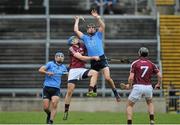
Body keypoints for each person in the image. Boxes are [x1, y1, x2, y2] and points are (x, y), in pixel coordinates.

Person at [74, 9, 121, 102]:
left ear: (95, 29)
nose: (91, 29)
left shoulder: (98, 35)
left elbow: (103, 25)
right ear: (87, 30)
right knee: (94, 75)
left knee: (107, 78)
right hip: (93, 60)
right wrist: (77, 20)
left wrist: (97, 17)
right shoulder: (85, 38)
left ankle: (115, 92)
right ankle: (93, 90)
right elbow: (76, 30)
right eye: (89, 28)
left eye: (93, 27)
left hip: (102, 58)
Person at [63, 36, 100, 120]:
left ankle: (90, 90)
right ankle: (66, 111)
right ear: (72, 42)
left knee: (95, 73)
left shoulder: (82, 46)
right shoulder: (71, 48)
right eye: (74, 39)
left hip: (82, 69)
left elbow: (91, 48)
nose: (76, 39)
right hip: (73, 71)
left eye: (76, 38)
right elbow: (81, 57)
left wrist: (99, 56)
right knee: (69, 92)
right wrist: (93, 57)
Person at [123, 47, 162, 125]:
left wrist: (130, 86)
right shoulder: (152, 64)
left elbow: (131, 77)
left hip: (138, 87)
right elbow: (160, 75)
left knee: (129, 105)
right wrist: (158, 84)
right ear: (147, 54)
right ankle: (152, 120)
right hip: (148, 87)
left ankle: (129, 123)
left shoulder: (135, 63)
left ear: (139, 53)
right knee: (150, 102)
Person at [38, 51, 68, 124]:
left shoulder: (63, 67)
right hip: (47, 88)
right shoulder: (50, 64)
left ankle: (50, 121)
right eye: (58, 56)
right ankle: (49, 114)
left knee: (54, 103)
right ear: (55, 57)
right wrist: (47, 72)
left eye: (62, 56)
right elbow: (40, 70)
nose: (60, 57)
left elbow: (67, 75)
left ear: (63, 58)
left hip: (56, 89)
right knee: (45, 108)